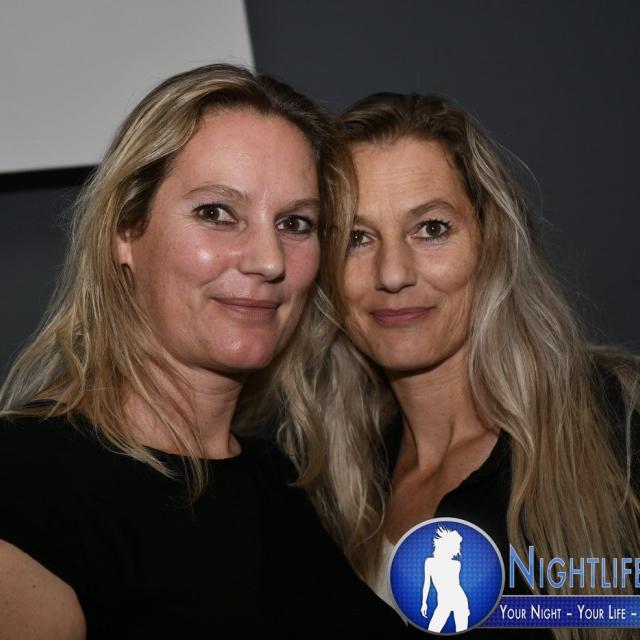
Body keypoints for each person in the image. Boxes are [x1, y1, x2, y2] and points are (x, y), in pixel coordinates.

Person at [0, 65, 404, 640]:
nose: (268, 260)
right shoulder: (27, 480)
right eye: (216, 213)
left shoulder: (277, 479)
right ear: (126, 230)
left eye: (295, 222)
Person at [277, 92, 640, 639]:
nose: (393, 273)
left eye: (432, 229)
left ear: (490, 240)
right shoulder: (326, 481)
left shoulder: (619, 425)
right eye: (356, 238)